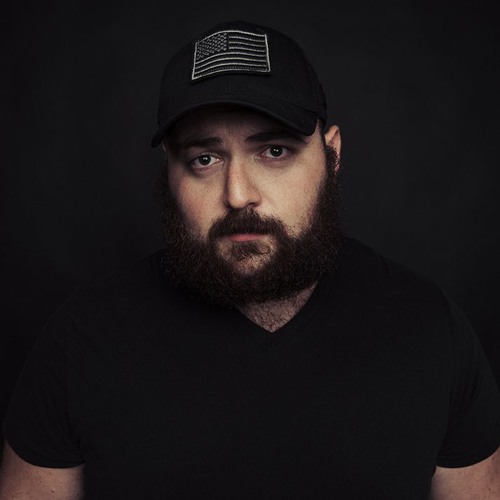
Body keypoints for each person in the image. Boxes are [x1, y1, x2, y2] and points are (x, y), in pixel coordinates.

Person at [1, 19, 499, 499]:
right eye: (204, 159)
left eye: (274, 151)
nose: (238, 195)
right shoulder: (85, 336)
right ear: (169, 172)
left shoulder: (428, 329)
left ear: (332, 155)